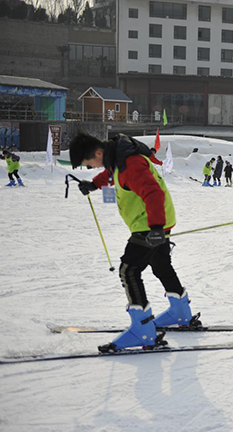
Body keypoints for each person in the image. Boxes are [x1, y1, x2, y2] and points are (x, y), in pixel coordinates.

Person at [69, 133, 197, 353]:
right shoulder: (119, 156)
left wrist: (156, 227)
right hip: (157, 220)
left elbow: (153, 193)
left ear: (97, 153)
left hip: (149, 223)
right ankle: (181, 313)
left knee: (129, 270)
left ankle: (143, 330)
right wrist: (94, 184)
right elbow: (111, 173)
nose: (90, 167)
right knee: (161, 265)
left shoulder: (130, 164)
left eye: (89, 164)